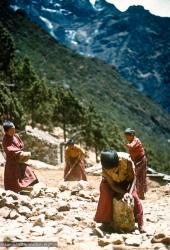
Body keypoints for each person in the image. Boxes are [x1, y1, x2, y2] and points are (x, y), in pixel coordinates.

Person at [94, 150, 144, 233]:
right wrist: (122, 192)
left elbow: (133, 178)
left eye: (114, 168)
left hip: (127, 181)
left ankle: (140, 223)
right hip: (112, 183)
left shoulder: (127, 161)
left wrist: (129, 193)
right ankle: (106, 222)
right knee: (106, 195)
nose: (112, 171)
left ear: (117, 163)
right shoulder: (105, 167)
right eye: (110, 170)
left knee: (134, 197)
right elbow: (112, 185)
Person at [2, 121, 38, 193]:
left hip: (20, 161)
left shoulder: (16, 136)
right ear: (6, 131)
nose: (13, 131)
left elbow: (21, 145)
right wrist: (20, 153)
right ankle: (15, 193)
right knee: (14, 180)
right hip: (12, 163)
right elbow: (10, 150)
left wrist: (22, 153)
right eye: (11, 130)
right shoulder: (6, 139)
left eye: (14, 129)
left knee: (29, 174)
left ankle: (27, 189)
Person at [124, 128, 147, 200]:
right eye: (126, 136)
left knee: (139, 176)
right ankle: (137, 193)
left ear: (132, 135)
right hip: (136, 160)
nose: (127, 137)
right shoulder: (131, 140)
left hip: (141, 160)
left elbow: (131, 146)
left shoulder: (136, 140)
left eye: (128, 136)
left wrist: (126, 145)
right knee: (135, 176)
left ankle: (141, 195)